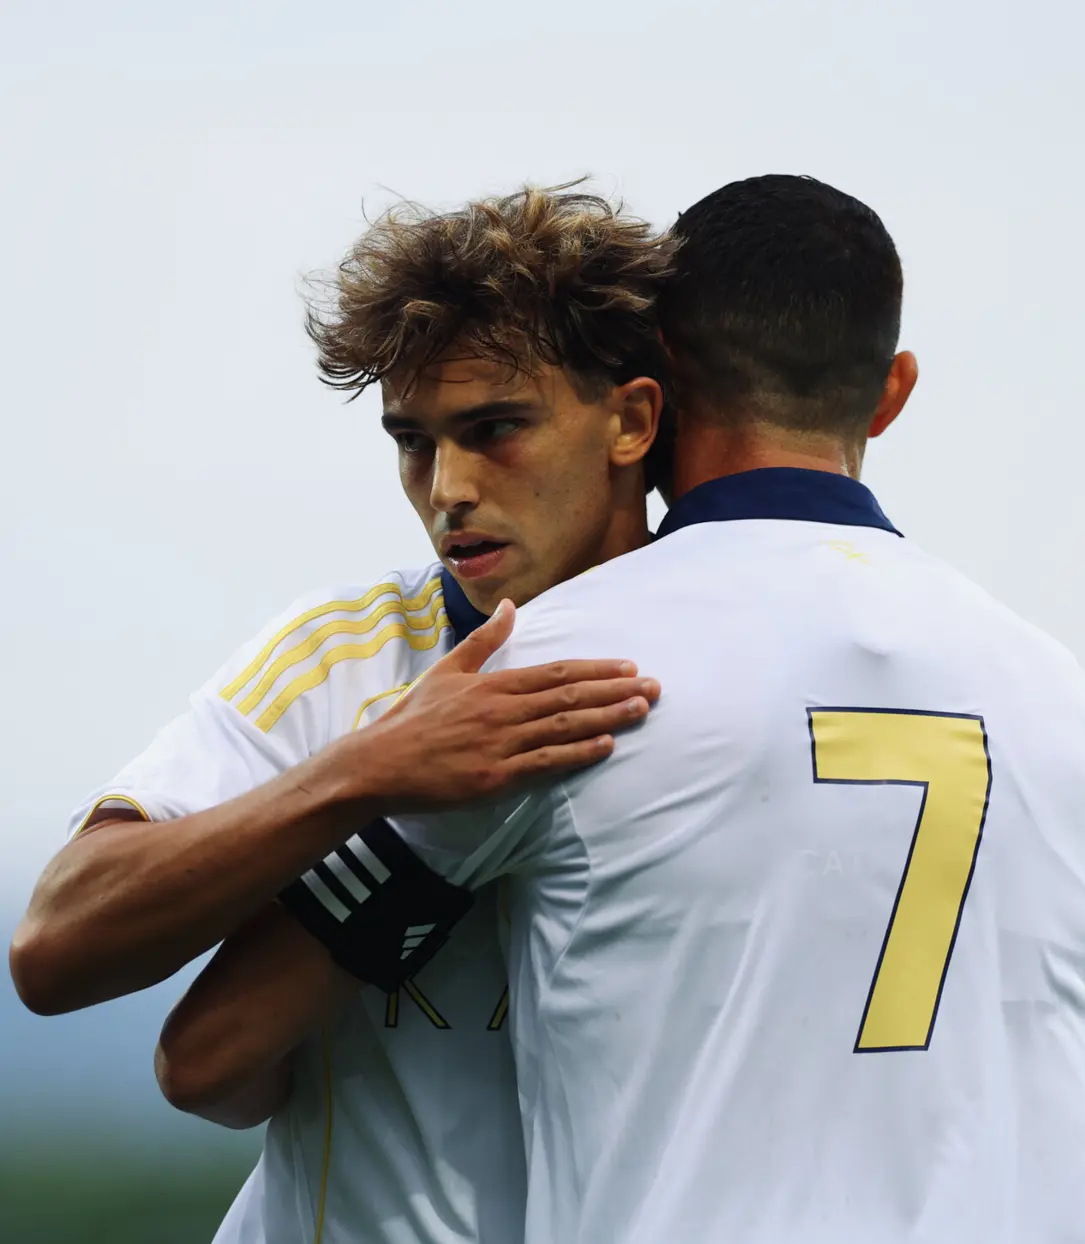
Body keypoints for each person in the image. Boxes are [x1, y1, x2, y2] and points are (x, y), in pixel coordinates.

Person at [336, 175, 1085, 1242]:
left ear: (648, 395)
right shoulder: (1049, 683)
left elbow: (214, 1053)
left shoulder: (561, 659)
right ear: (891, 392)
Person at [9, 186, 673, 1244]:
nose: (447, 485)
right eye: (413, 441)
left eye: (495, 428)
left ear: (632, 420)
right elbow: (56, 947)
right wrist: (366, 769)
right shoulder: (348, 653)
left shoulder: (724, 660)